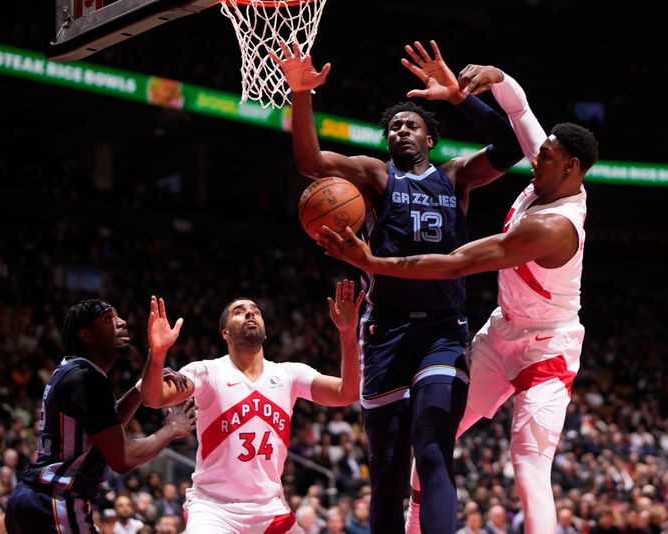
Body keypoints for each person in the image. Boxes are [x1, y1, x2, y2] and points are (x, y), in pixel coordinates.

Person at [316, 59, 598, 534]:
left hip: (549, 346)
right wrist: (490, 80)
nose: (536, 156)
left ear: (570, 166)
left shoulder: (555, 226)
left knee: (528, 462)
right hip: (502, 328)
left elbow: (458, 263)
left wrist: (374, 264)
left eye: (545, 154)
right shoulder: (550, 172)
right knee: (429, 445)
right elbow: (519, 111)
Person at [269, 40, 524, 533]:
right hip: (384, 334)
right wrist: (301, 95)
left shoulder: (455, 177)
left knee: (431, 450)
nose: (400, 129)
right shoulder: (374, 176)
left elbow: (510, 147)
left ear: (430, 138)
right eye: (393, 126)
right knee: (386, 475)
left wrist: (458, 97)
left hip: (442, 335)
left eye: (411, 124)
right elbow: (310, 162)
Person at [140, 280, 364, 533]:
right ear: (225, 333)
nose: (250, 313)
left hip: (270, 507)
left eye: (255, 311)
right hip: (214, 508)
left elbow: (348, 393)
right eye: (239, 311)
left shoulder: (290, 375)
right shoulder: (206, 371)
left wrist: (347, 332)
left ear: (265, 331)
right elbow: (152, 398)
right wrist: (157, 353)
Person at [4, 299, 197, 534]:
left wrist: (142, 382)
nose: (122, 322)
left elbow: (106, 426)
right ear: (87, 335)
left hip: (34, 499)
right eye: (108, 320)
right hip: (55, 501)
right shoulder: (87, 378)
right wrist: (171, 430)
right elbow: (122, 458)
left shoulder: (72, 370)